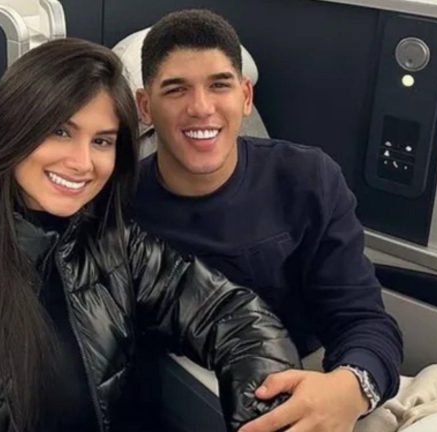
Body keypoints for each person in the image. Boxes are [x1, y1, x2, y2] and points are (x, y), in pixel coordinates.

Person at [0, 38, 301, 432]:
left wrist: (266, 417)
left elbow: (232, 314)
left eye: (102, 141)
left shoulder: (110, 239)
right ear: (14, 128)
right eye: (59, 131)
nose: (81, 162)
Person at [132, 9, 404, 432]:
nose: (200, 107)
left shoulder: (307, 179)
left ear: (245, 96)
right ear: (145, 107)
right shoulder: (118, 203)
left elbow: (363, 320)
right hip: (178, 396)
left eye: (219, 85)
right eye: (176, 89)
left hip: (307, 380)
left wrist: (351, 387)